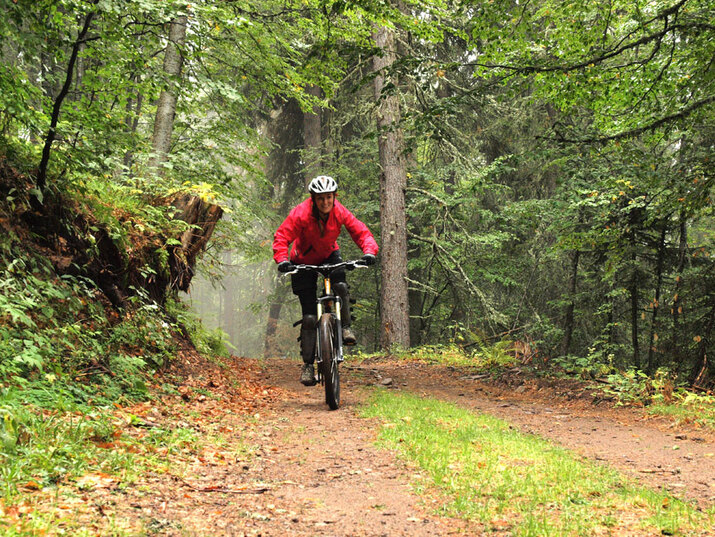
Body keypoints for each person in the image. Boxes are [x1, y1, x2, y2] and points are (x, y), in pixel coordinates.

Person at [273, 175, 378, 386]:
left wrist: (369, 252)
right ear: (313, 198)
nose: (325, 202)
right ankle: (308, 365)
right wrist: (283, 260)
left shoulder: (339, 211)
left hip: (330, 255)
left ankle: (346, 327)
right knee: (310, 317)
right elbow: (282, 236)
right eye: (320, 198)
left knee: (339, 286)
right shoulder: (301, 213)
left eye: (329, 197)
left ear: (334, 196)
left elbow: (360, 231)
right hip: (302, 262)